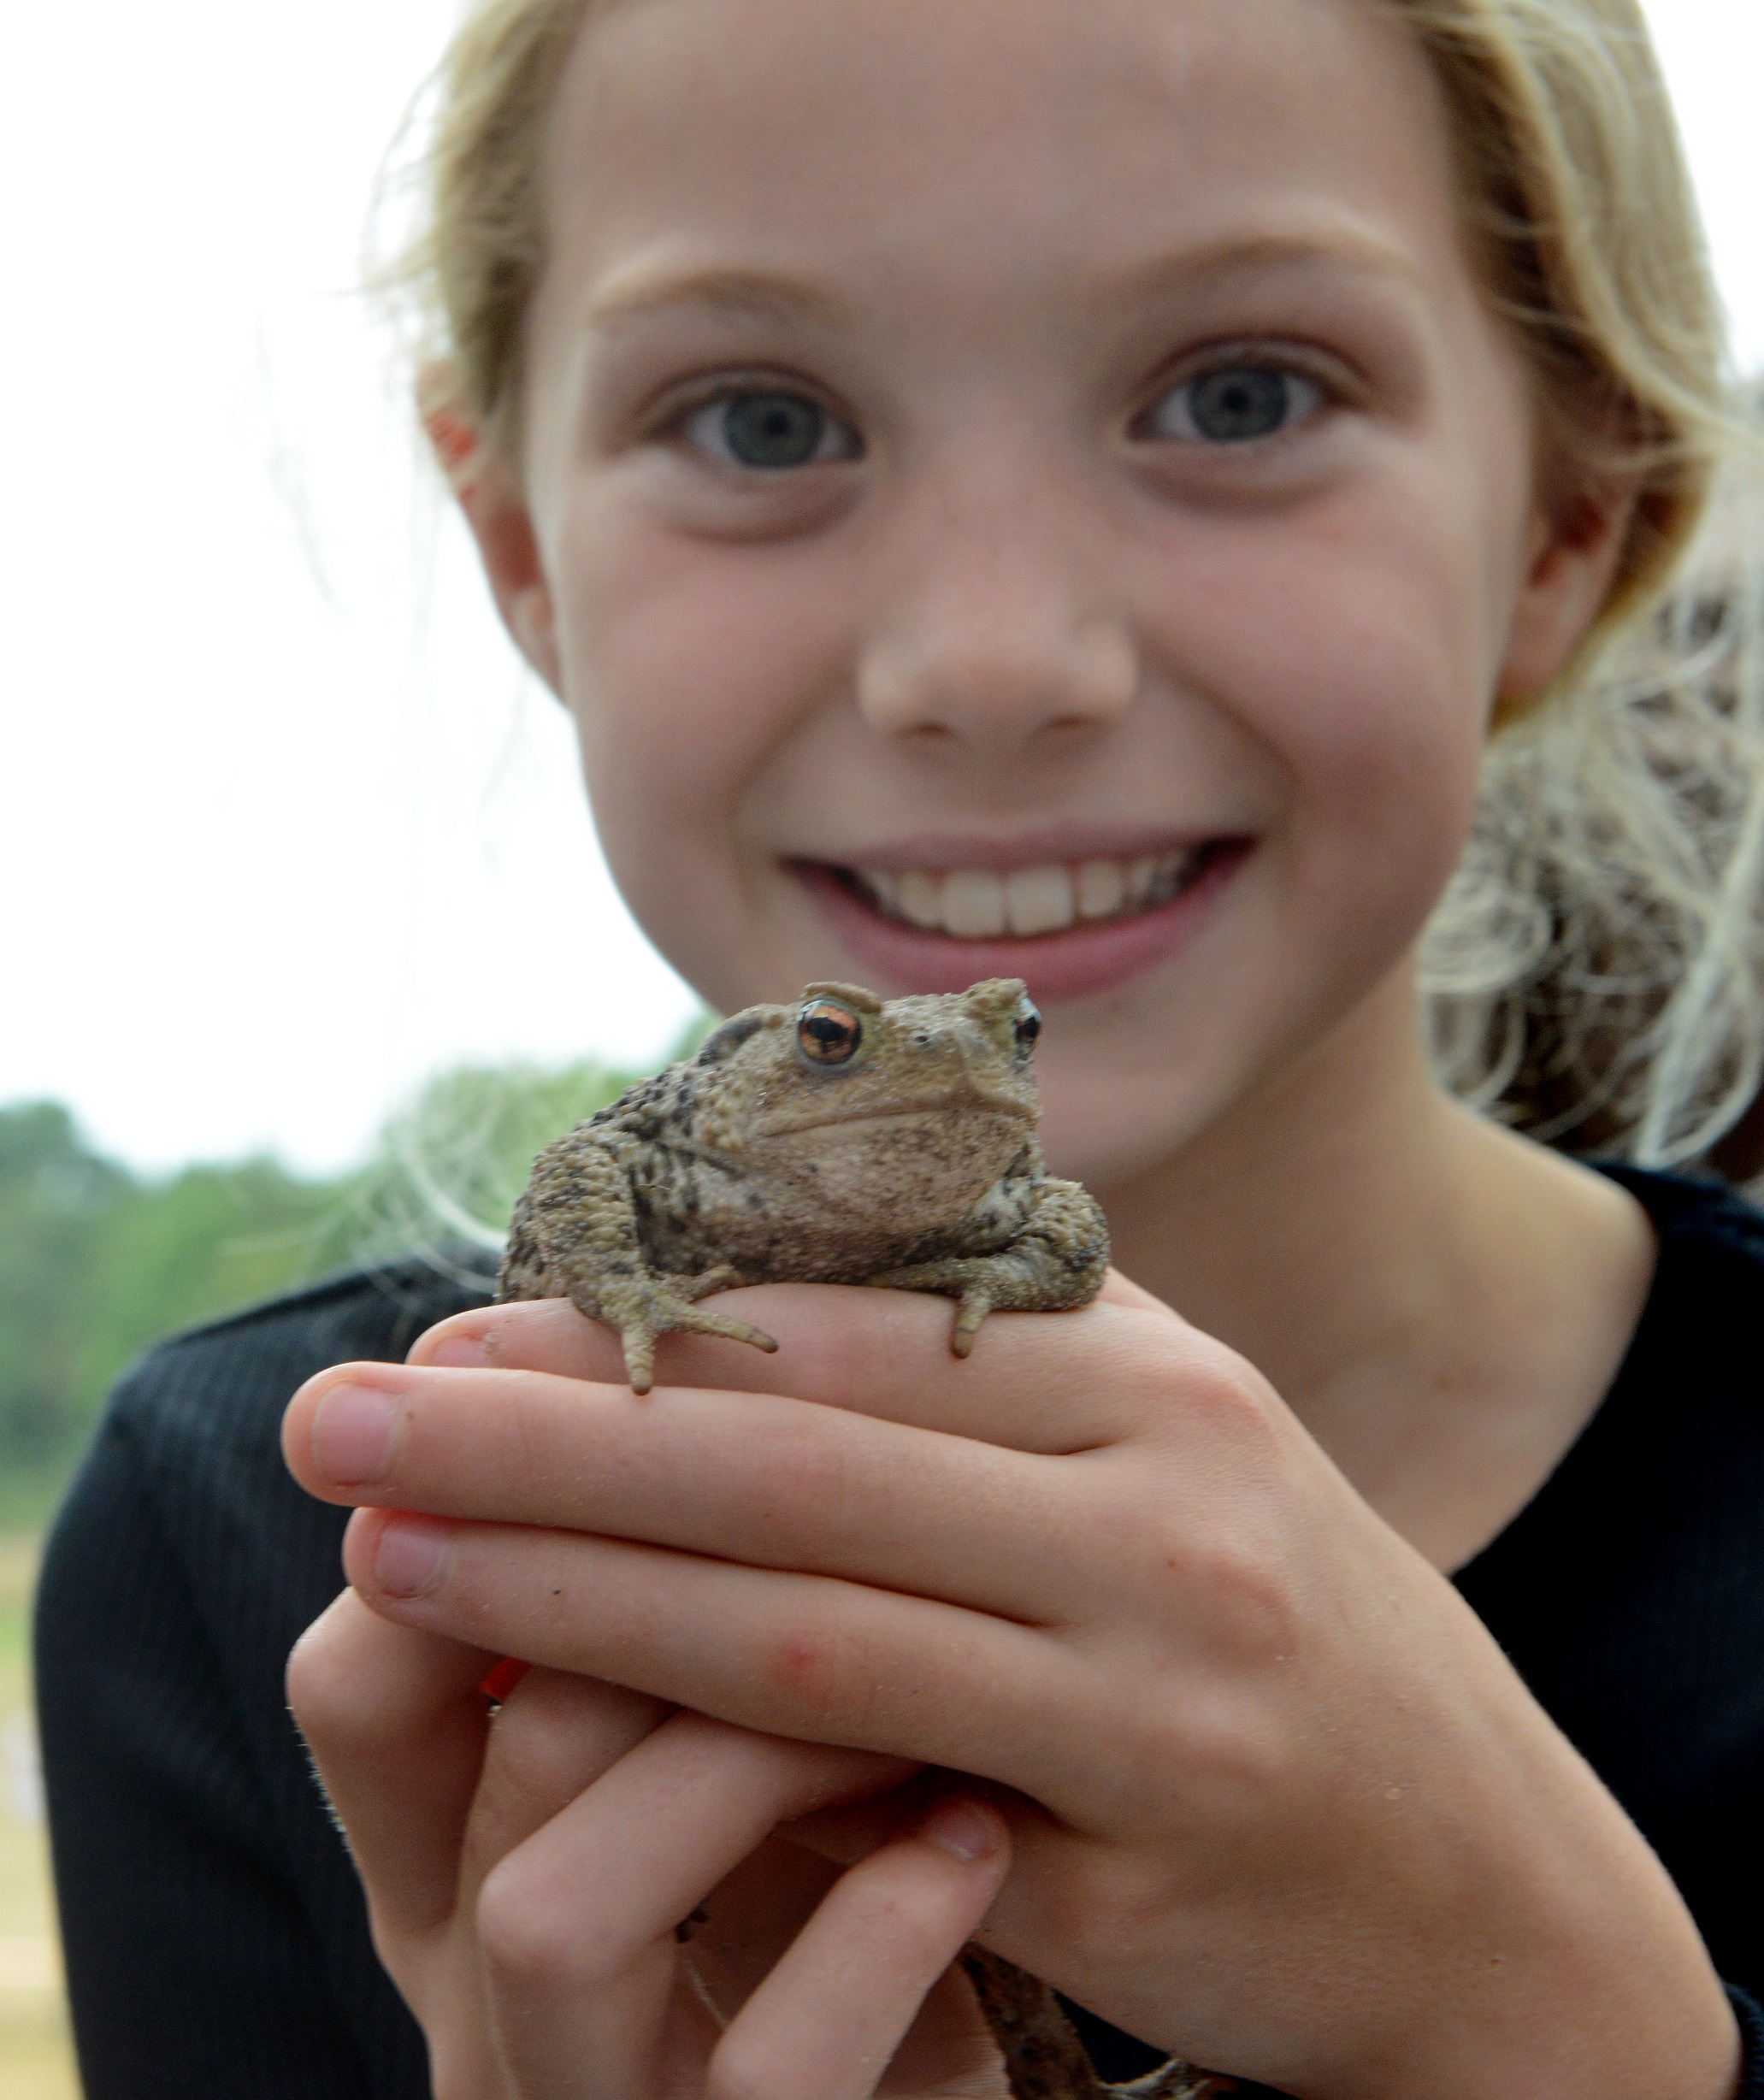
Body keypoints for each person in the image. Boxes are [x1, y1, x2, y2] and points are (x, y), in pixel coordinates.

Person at [34, 0, 1764, 2093]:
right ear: (522, 557)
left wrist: (1586, 2038)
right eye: (762, 422)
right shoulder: (276, 1529)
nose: (991, 662)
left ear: (1582, 512)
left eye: (1242, 391)